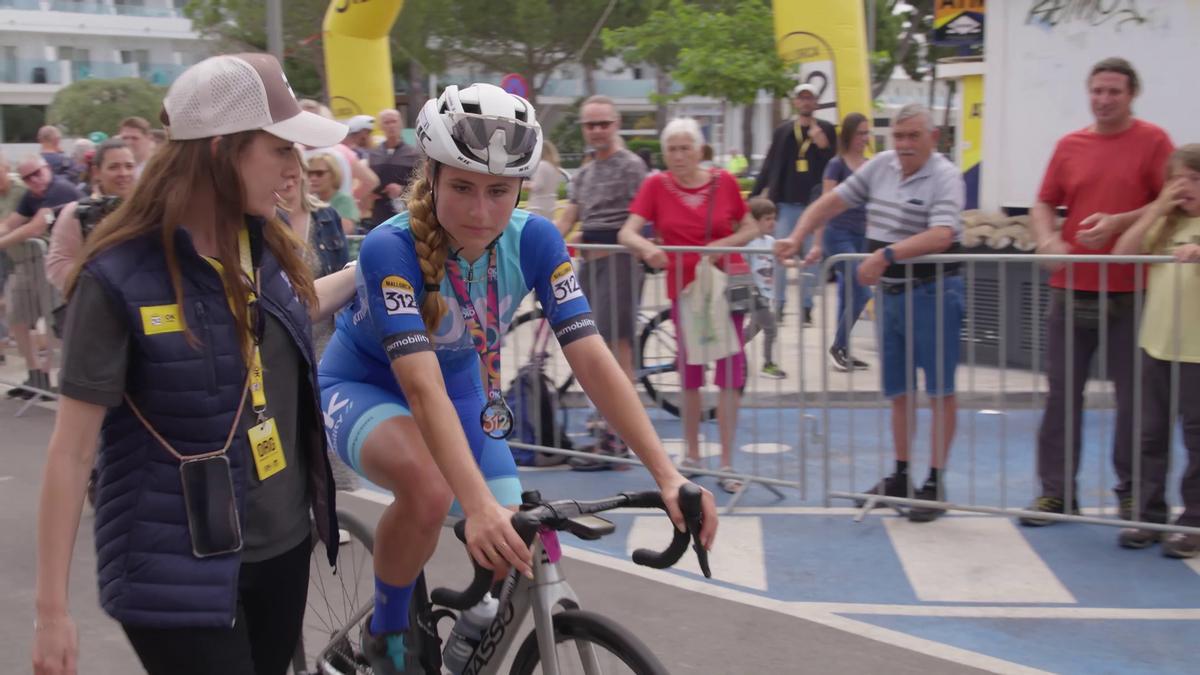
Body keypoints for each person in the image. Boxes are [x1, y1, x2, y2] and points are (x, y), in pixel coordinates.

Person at [319, 83, 717, 673]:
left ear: (521, 188)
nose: (481, 212)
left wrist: (666, 473)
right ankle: (387, 636)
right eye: (462, 188)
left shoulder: (536, 238)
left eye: (499, 191)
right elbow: (421, 388)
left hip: (459, 392)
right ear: (431, 179)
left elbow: (591, 356)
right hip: (365, 386)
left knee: (516, 541)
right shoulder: (389, 247)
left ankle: (467, 636)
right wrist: (474, 505)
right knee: (430, 491)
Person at [31, 52, 358, 675]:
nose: (296, 170)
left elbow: (292, 310)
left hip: (282, 550)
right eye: (280, 150)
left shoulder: (261, 246)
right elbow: (70, 452)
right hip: (172, 572)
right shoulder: (116, 276)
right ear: (218, 150)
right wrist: (51, 610)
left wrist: (378, 265)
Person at [777, 103, 965, 523]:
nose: (903, 145)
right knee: (897, 391)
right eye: (898, 136)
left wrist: (885, 255)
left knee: (939, 390)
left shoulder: (946, 176)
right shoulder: (881, 166)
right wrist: (798, 235)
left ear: (933, 138)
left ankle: (933, 482)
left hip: (933, 290)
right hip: (893, 294)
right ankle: (900, 475)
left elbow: (942, 234)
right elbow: (832, 202)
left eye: (913, 136)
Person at [1020, 57, 1174, 530]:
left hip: (1134, 291)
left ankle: (1135, 498)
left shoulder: (1154, 141)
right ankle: (1056, 493)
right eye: (1098, 91)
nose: (1104, 100)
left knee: (1137, 401)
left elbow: (1171, 199)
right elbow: (1044, 200)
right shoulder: (1070, 145)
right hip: (1071, 289)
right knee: (1061, 396)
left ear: (1132, 95)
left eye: (1114, 92)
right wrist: (1047, 238)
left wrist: (1119, 222)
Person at [619, 117, 760, 494]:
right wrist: (647, 247)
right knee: (691, 372)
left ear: (700, 150)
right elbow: (627, 231)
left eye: (685, 148)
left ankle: (728, 462)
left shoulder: (724, 182)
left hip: (727, 283)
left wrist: (720, 246)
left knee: (731, 372)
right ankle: (694, 455)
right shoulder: (655, 185)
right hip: (686, 288)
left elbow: (750, 228)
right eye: (672, 149)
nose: (679, 156)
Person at [1111, 144, 1200, 558]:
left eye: (1194, 180)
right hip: (1158, 344)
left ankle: (1194, 522)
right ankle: (1148, 515)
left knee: (1197, 439)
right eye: (1178, 180)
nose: (1185, 189)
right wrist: (1158, 208)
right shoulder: (1165, 224)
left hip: (1197, 351)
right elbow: (1123, 252)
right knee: (1150, 435)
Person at [553, 95, 649, 469]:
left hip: (620, 265)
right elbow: (569, 217)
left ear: (616, 123)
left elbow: (640, 220)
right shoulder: (584, 173)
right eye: (590, 125)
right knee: (592, 347)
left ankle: (621, 438)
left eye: (603, 124)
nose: (597, 131)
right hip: (590, 267)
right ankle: (608, 423)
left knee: (618, 350)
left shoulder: (632, 167)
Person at [753, 82, 837, 326]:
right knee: (780, 256)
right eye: (801, 98)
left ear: (816, 102)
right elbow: (769, 165)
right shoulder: (783, 132)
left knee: (811, 258)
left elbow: (834, 165)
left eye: (810, 98)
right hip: (786, 205)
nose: (806, 102)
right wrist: (755, 195)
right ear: (795, 102)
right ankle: (778, 304)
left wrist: (823, 146)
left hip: (815, 207)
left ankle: (806, 306)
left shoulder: (827, 130)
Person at [0, 155, 83, 398]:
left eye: (37, 173)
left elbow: (36, 226)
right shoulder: (31, 195)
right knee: (18, 317)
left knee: (53, 319)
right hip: (29, 263)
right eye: (28, 177)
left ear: (47, 169)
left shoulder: (59, 189)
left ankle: (52, 376)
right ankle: (36, 375)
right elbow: (12, 222)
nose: (34, 180)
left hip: (54, 263)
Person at [45, 139, 137, 292]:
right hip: (99, 307)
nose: (123, 173)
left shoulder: (151, 208)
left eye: (129, 166)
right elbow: (58, 265)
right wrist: (99, 286)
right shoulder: (76, 213)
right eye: (114, 167)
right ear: (97, 172)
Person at [823, 112, 873, 372]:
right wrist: (817, 243)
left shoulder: (870, 164)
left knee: (850, 293)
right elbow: (825, 202)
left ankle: (842, 347)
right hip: (838, 234)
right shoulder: (836, 165)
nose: (864, 138)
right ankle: (838, 346)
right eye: (860, 133)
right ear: (849, 135)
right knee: (862, 290)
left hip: (862, 235)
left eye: (867, 133)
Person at [743, 197, 787, 379]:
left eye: (773, 218)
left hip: (767, 293)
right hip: (755, 293)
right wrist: (749, 287)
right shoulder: (749, 244)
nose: (772, 222)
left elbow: (780, 261)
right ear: (754, 221)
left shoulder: (770, 241)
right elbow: (744, 267)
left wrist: (798, 263)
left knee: (754, 328)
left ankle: (729, 350)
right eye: (767, 219)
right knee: (771, 328)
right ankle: (767, 364)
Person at [367, 108, 420, 228]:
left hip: (406, 211)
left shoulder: (413, 154)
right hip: (379, 213)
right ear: (381, 126)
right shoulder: (374, 154)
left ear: (401, 124)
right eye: (387, 122)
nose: (391, 126)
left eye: (394, 121)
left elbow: (422, 183)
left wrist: (402, 189)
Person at [307, 152, 360, 234]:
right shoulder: (309, 200)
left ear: (333, 174)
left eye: (319, 173)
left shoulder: (344, 200)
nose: (313, 178)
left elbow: (345, 229)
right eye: (309, 173)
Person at [525, 139, 563, 218]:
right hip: (550, 205)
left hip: (538, 206)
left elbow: (538, 186)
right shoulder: (555, 167)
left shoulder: (542, 165)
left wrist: (524, 185)